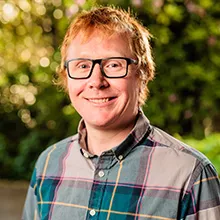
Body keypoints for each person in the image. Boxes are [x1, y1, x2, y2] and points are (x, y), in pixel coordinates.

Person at [22, 6, 220, 220]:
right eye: (82, 66)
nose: (96, 81)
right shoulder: (48, 165)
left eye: (114, 64)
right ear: (66, 76)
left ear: (143, 74)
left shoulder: (190, 175)